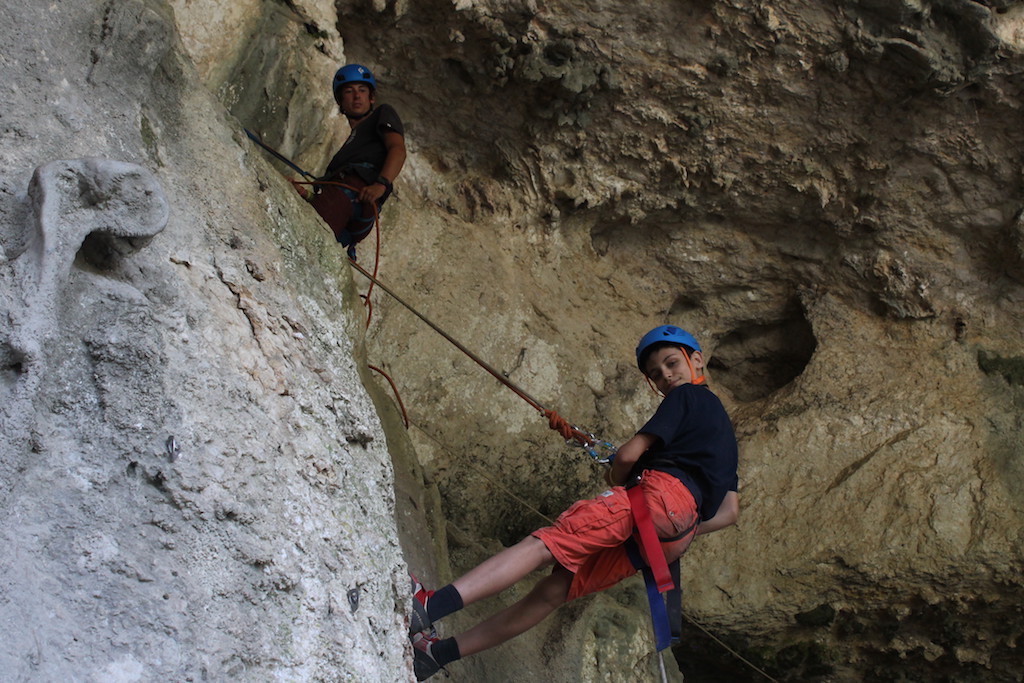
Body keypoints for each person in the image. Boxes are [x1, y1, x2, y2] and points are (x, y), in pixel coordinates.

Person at [408, 325, 740, 680]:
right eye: (656, 375)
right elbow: (729, 512)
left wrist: (619, 478)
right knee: (553, 592)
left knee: (545, 545)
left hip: (654, 498)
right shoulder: (725, 434)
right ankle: (436, 655)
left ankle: (428, 606)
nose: (667, 376)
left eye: (672, 363)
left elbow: (629, 454)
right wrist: (675, 521)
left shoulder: (687, 397)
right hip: (675, 537)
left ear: (697, 360)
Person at [295, 63, 406, 260]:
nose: (357, 96)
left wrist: (381, 184)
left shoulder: (382, 114)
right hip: (352, 211)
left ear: (371, 97)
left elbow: (397, 149)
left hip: (356, 195)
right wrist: (306, 194)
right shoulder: (348, 150)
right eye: (349, 91)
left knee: (303, 237)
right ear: (340, 101)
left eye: (362, 90)